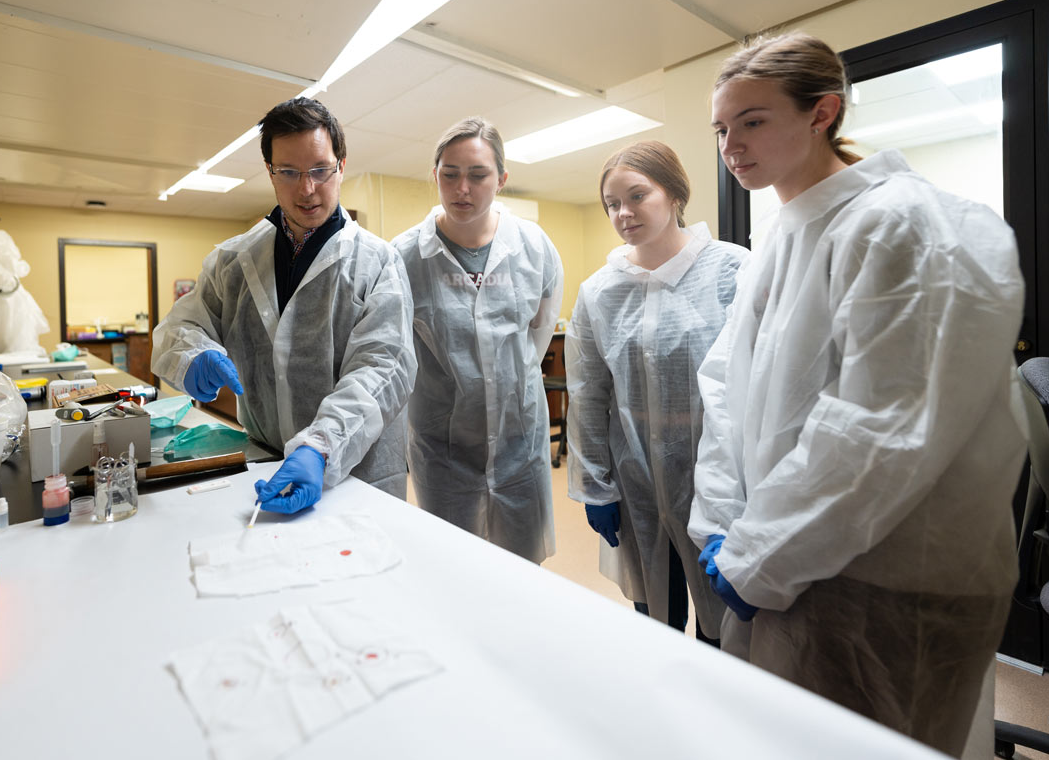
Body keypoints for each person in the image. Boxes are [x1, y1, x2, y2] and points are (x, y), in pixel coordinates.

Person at [689, 32, 1027, 755]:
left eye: (752, 121)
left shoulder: (906, 225)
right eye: (721, 128)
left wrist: (760, 556)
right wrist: (726, 523)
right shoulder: (781, 239)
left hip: (890, 585)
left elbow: (883, 429)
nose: (730, 144)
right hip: (788, 562)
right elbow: (725, 388)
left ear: (822, 113)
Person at [151, 97, 417, 513]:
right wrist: (193, 354)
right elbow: (181, 326)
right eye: (289, 172)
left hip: (353, 471)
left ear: (341, 166)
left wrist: (320, 447)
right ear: (271, 173)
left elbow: (383, 368)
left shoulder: (378, 263)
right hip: (262, 466)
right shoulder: (233, 260)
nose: (306, 189)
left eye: (320, 170)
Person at [566, 141, 746, 642]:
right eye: (611, 204)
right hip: (635, 483)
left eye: (637, 196)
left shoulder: (731, 270)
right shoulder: (600, 290)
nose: (624, 213)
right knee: (655, 620)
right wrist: (595, 485)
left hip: (715, 480)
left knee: (722, 629)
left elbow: (750, 388)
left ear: (674, 193)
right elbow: (587, 393)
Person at [392, 117, 564, 563]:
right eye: (449, 174)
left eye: (477, 174)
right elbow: (395, 354)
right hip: (441, 449)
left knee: (522, 570)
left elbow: (538, 335)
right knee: (454, 568)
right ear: (435, 177)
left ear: (502, 180)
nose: (461, 188)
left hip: (518, 443)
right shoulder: (404, 257)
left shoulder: (534, 246)